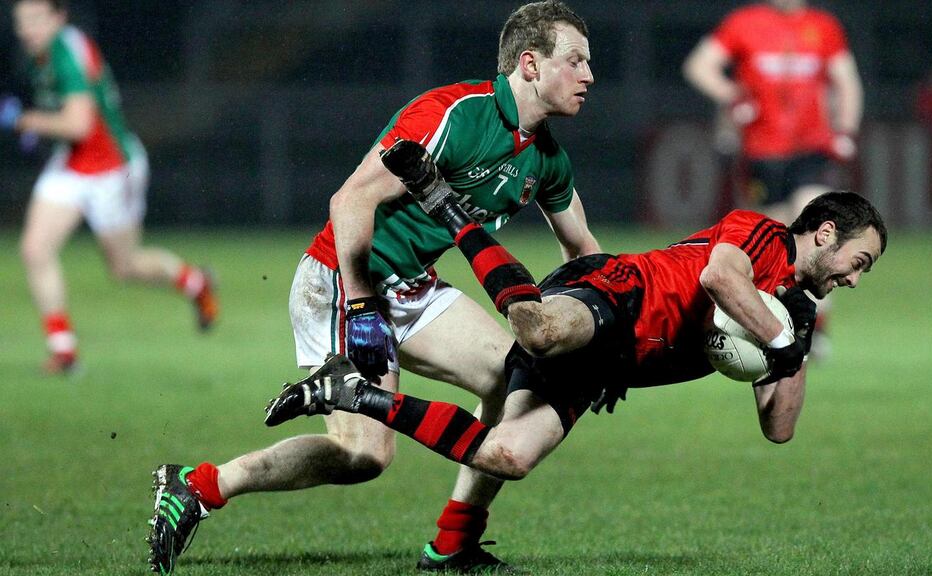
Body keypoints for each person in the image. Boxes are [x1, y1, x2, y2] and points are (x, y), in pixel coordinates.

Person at [147, 2, 599, 574]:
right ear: (531, 65)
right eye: (576, 61)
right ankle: (200, 485)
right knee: (363, 455)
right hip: (342, 278)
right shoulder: (455, 114)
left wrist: (600, 331)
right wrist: (360, 303)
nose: (589, 75)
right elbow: (350, 200)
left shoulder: (546, 158)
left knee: (517, 378)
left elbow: (584, 253)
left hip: (411, 287)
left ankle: (454, 541)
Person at [266, 186, 886, 497]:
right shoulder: (763, 236)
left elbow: (777, 429)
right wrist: (780, 334)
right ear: (826, 233)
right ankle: (451, 211)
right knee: (535, 332)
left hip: (614, 359)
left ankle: (361, 399)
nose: (855, 281)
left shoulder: (791, 316)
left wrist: (795, 346)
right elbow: (719, 278)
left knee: (508, 457)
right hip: (617, 292)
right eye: (858, 262)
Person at [1, 0, 218, 375]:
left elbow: (79, 125)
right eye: (22, 21)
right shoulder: (43, 53)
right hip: (72, 165)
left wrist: (25, 121)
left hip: (111, 168)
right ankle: (64, 349)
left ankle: (195, 282)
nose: (28, 29)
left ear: (59, 17)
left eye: (37, 19)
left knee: (125, 266)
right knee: (35, 249)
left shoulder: (66, 54)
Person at [682, 0, 864, 359]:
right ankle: (778, 323)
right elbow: (699, 66)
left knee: (819, 225)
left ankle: (816, 326)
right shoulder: (744, 23)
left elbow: (847, 81)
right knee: (776, 242)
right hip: (761, 152)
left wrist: (846, 130)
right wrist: (733, 95)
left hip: (812, 148)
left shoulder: (823, 26)